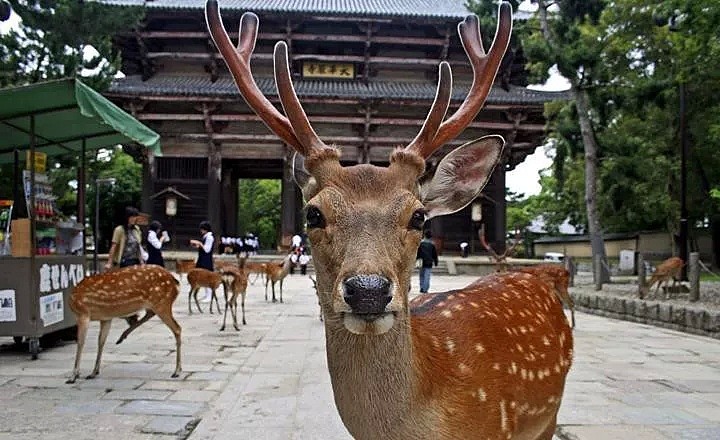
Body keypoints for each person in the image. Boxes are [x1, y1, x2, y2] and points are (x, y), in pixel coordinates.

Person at [105, 206, 145, 271]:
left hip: (135, 261)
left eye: (135, 217)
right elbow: (114, 246)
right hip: (124, 261)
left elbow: (138, 247)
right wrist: (109, 262)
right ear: (127, 217)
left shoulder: (137, 230)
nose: (133, 219)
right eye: (131, 217)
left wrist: (142, 261)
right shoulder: (119, 230)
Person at [190, 221, 215, 302]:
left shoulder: (210, 237)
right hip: (202, 258)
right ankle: (206, 294)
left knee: (207, 277)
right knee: (202, 277)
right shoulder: (205, 237)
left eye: (202, 229)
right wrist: (197, 245)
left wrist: (199, 243)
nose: (201, 231)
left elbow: (207, 250)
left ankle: (209, 295)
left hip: (206, 259)